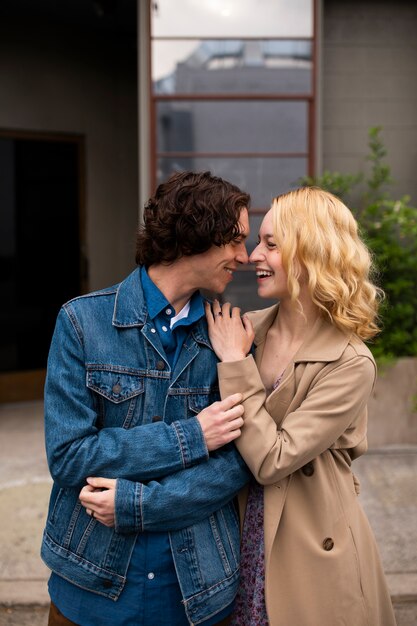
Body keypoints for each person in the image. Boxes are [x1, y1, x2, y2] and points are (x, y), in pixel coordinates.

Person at [41, 170, 252, 626]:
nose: (245, 256)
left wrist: (138, 506)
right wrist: (193, 436)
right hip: (90, 585)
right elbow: (69, 456)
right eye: (235, 240)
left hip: (196, 591)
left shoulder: (229, 339)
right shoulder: (82, 322)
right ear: (196, 234)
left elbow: (239, 463)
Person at [205, 186, 397, 625]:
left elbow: (274, 459)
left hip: (312, 546)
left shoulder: (350, 362)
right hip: (237, 534)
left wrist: (235, 364)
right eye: (258, 242)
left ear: (312, 253)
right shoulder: (247, 329)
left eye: (272, 244)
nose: (254, 254)